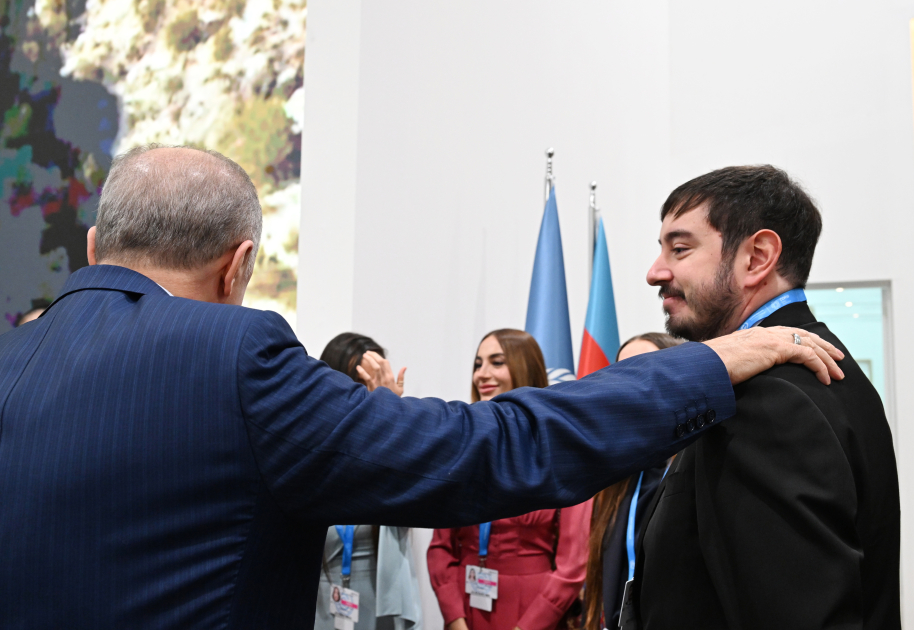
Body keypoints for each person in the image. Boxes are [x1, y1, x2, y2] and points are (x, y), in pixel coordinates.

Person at [0, 145, 843, 629]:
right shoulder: (236, 356)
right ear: (239, 266)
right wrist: (700, 365)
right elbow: (484, 449)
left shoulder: (12, 361)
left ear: (94, 243)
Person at [629, 165, 899, 629]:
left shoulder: (769, 401)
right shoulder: (817, 378)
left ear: (757, 257)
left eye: (680, 248)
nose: (656, 272)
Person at [428, 329, 592, 630]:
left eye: (497, 362)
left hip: (533, 614)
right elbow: (440, 548)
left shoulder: (561, 453)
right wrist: (454, 619)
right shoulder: (459, 448)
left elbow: (571, 567)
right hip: (465, 611)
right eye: (478, 364)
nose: (482, 374)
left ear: (524, 367)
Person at [315, 332, 420, 630]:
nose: (363, 393)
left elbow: (412, 494)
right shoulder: (308, 451)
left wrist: (391, 414)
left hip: (378, 610)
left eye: (372, 383)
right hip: (319, 605)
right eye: (355, 380)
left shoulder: (389, 452)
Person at [582, 333, 683, 630]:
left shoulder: (699, 467)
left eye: (643, 371)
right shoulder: (615, 475)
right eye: (621, 374)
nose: (629, 386)